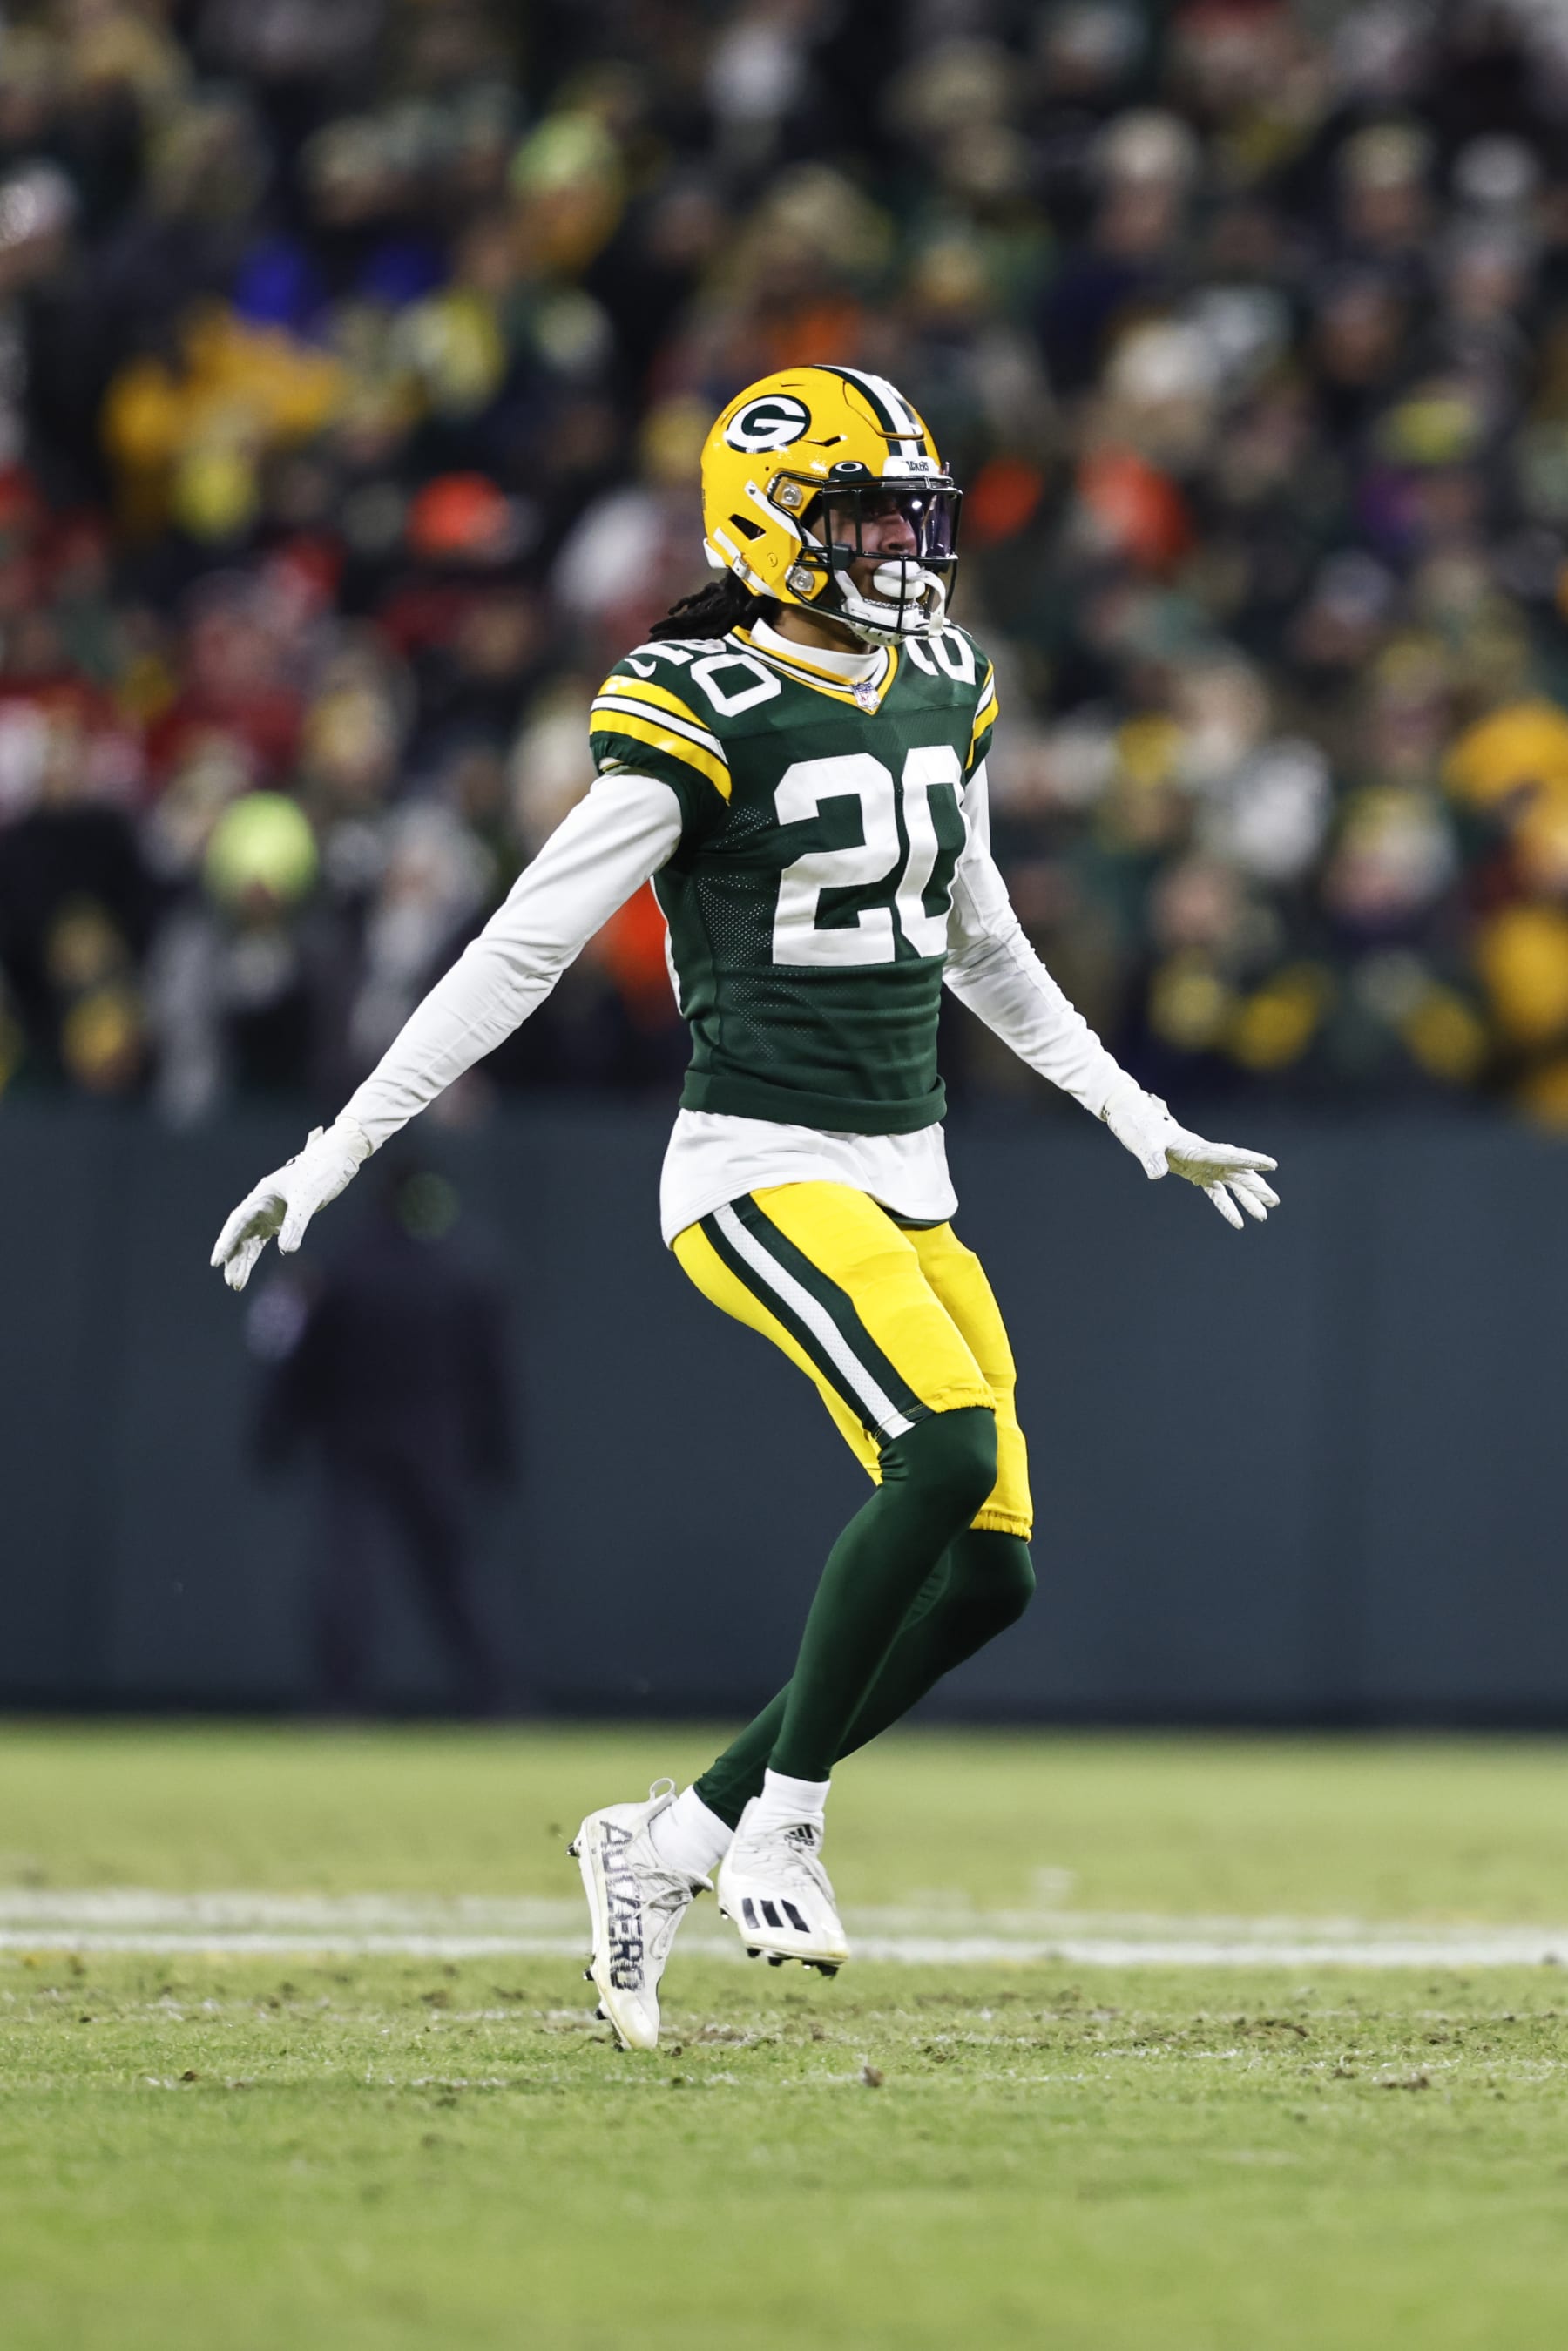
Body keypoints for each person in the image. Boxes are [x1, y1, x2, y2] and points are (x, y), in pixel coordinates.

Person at [211, 365, 1279, 2050]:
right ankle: (783, 1808)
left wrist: (1143, 1121)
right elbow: (525, 939)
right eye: (863, 515)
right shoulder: (699, 697)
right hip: (758, 1165)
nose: (900, 550)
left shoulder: (944, 677)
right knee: (936, 1452)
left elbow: (980, 936)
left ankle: (666, 1838)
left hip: (909, 1172)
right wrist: (339, 1145)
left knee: (991, 1572)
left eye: (909, 517)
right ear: (771, 522)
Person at [253, 1161, 513, 1714]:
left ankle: (340, 1704)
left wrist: (276, 1435)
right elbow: (490, 1376)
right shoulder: (459, 1272)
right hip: (432, 1446)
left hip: (356, 1442)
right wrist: (496, 1452)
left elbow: (303, 1366)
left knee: (350, 1576)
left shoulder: (343, 1269)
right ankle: (496, 1701)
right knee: (452, 1579)